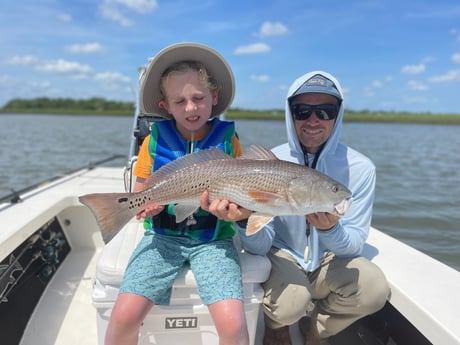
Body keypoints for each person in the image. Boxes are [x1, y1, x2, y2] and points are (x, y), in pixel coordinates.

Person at [201, 71, 390, 345]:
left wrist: (331, 229)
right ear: (290, 114)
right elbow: (259, 248)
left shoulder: (361, 169)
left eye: (325, 111)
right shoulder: (271, 160)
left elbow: (352, 247)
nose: (313, 120)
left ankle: (317, 330)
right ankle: (276, 327)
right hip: (283, 256)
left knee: (373, 289)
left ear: (338, 115)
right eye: (303, 110)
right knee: (291, 303)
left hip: (329, 260)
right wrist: (244, 220)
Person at [105, 42, 249, 345]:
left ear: (214, 97)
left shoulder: (229, 140)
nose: (191, 107)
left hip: (213, 240)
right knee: (122, 317)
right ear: (165, 106)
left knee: (235, 325)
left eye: (198, 98)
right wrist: (146, 206)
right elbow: (142, 189)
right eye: (180, 101)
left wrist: (237, 212)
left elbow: (241, 191)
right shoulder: (154, 141)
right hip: (162, 238)